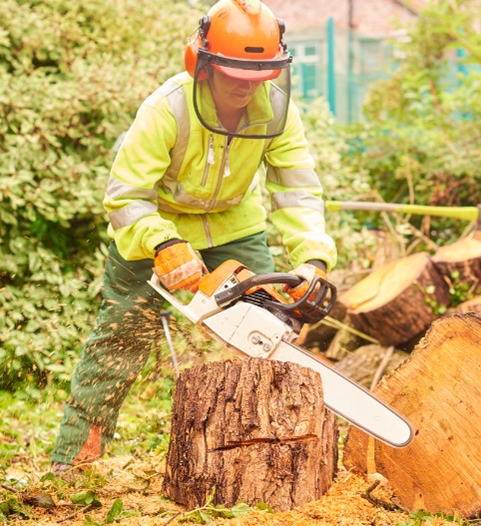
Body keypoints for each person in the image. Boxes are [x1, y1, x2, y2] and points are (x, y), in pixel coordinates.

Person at [51, 0, 337, 475]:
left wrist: (311, 260)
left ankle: (262, 459)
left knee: (266, 331)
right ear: (202, 64)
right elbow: (125, 196)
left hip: (234, 228)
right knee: (120, 337)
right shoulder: (167, 109)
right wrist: (162, 243)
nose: (248, 83)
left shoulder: (279, 113)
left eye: (260, 71)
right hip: (153, 230)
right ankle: (74, 459)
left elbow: (297, 189)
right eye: (236, 72)